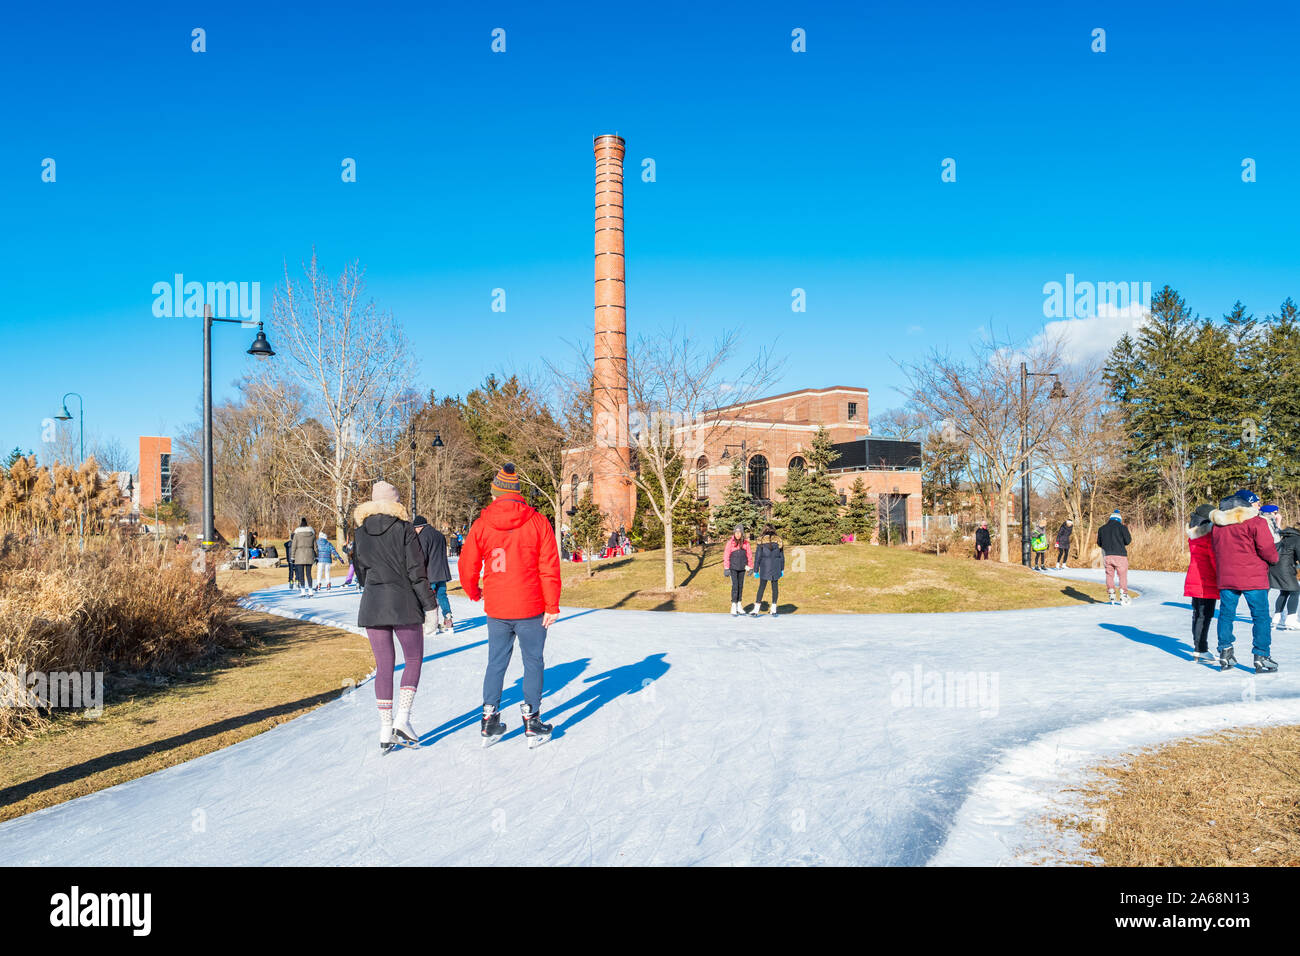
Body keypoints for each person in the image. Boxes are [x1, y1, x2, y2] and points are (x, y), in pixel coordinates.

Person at [459, 463, 562, 747]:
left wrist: (473, 591)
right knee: (533, 662)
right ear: (518, 494)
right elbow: (549, 567)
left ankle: (489, 720)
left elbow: (467, 564)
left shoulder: (481, 524)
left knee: (496, 662)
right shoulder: (538, 521)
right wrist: (552, 605)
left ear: (495, 494)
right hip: (531, 606)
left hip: (498, 607)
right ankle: (532, 720)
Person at [352, 480, 435, 751]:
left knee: (384, 666)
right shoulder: (404, 529)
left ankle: (385, 729)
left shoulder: (360, 532)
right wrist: (431, 606)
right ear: (395, 503)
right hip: (403, 603)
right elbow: (416, 570)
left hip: (373, 603)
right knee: (413, 658)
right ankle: (403, 719)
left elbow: (361, 570)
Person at [1210, 488, 1279, 673]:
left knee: (1226, 615)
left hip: (1226, 577)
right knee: (1260, 617)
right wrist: (1274, 560)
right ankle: (1262, 655)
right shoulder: (1256, 522)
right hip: (1253, 577)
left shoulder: (1218, 525)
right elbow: (1267, 548)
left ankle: (1225, 651)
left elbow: (1215, 549)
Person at [1184, 504, 1219, 662]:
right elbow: (1213, 557)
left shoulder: (1193, 532)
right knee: (1205, 615)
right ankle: (1201, 648)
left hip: (1194, 576)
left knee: (1198, 614)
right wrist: (1221, 574)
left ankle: (1199, 647)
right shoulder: (1208, 534)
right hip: (1206, 579)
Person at [412, 515, 454, 633]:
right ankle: (448, 619)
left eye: (415, 529)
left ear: (419, 527)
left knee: (427, 599)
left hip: (431, 574)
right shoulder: (439, 534)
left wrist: (418, 571)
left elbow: (422, 556)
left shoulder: (423, 536)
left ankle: (430, 625)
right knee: (442, 596)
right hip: (442, 572)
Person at [1265, 508, 1300, 631]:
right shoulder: (1297, 539)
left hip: (1274, 568)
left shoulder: (1283, 537)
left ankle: (1276, 618)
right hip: (1285, 569)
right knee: (1295, 591)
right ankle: (1291, 619)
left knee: (1284, 592)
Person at [1097, 509, 1133, 605]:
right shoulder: (1122, 527)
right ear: (1119, 519)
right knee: (1122, 575)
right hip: (1120, 555)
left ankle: (1111, 593)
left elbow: (1099, 543)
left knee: (1109, 575)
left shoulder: (1102, 529)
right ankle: (1123, 594)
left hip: (1107, 555)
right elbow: (1128, 541)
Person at [752, 525, 784, 617]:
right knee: (775, 587)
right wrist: (782, 568)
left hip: (764, 566)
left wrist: (755, 570)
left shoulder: (761, 541)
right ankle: (773, 608)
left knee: (761, 587)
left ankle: (756, 609)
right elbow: (782, 557)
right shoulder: (779, 541)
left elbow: (758, 556)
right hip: (776, 566)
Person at [723, 525, 753, 617]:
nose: (738, 534)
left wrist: (751, 567)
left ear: (742, 533)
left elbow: (749, 555)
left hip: (742, 568)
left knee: (741, 586)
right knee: (735, 586)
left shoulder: (746, 543)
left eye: (739, 533)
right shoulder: (730, 543)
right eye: (736, 533)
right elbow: (726, 555)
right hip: (733, 568)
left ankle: (739, 605)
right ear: (734, 533)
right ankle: (733, 605)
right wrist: (726, 568)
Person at [290, 518, 317, 597]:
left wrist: (292, 557)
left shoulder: (297, 534)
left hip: (299, 555)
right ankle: (311, 591)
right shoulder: (312, 534)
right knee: (309, 574)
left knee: (301, 574)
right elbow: (315, 546)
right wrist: (316, 556)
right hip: (310, 554)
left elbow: (294, 546)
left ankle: (303, 591)